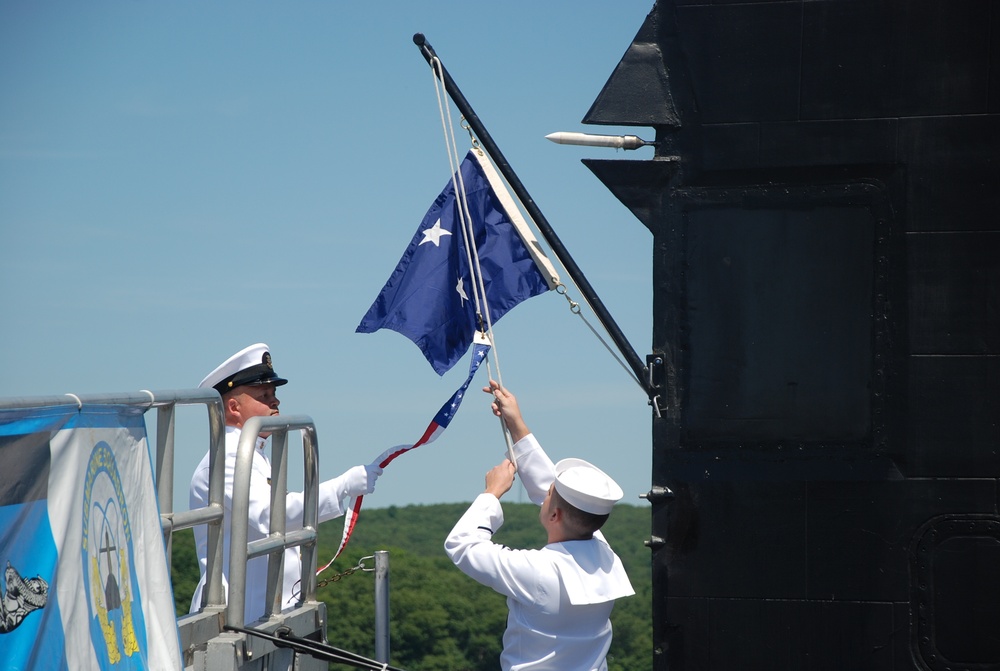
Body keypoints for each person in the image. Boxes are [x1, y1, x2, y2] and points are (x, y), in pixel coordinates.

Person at [445, 380, 635, 671]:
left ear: (555, 516)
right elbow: (559, 492)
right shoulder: (605, 557)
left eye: (548, 496)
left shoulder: (538, 572)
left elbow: (462, 545)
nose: (545, 493)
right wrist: (516, 425)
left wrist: (492, 493)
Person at [189, 343, 382, 623]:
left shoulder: (251, 454)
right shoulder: (227, 460)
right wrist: (343, 485)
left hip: (262, 614)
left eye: (274, 393)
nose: (275, 401)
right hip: (239, 619)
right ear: (233, 407)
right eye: (264, 395)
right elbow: (272, 517)